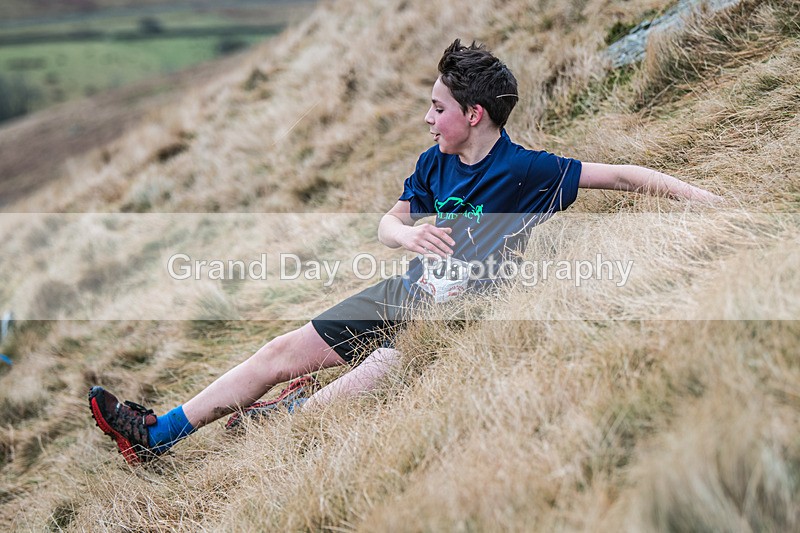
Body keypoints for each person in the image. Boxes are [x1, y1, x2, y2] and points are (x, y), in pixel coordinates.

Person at [89, 39, 720, 465]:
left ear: (474, 114)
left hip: (457, 319)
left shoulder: (528, 171)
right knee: (280, 351)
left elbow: (625, 176)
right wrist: (409, 235)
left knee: (382, 369)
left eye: (437, 107)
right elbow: (387, 225)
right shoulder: (432, 164)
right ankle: (157, 434)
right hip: (404, 292)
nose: (427, 117)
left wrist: (708, 204)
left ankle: (286, 416)